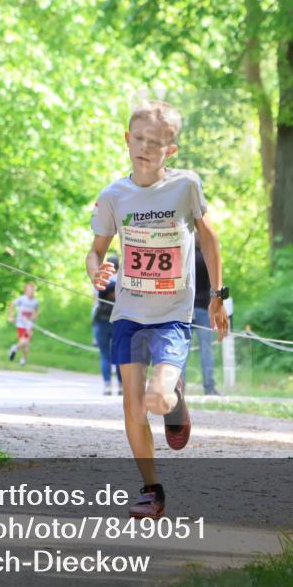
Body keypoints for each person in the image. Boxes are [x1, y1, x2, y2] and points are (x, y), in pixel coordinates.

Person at [87, 100, 229, 519]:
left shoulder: (186, 186)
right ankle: (152, 489)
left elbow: (209, 239)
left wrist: (218, 295)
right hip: (128, 313)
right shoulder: (113, 195)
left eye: (156, 143)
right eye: (139, 140)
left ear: (171, 150)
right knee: (133, 405)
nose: (145, 148)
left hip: (171, 313)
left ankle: (176, 398)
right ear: (126, 139)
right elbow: (95, 252)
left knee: (158, 397)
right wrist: (97, 272)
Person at [192, 243, 219, 396]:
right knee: (206, 350)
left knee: (181, 350)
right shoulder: (207, 259)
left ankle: (178, 389)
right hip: (204, 307)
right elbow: (213, 284)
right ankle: (209, 387)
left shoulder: (184, 257)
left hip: (186, 309)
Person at [93, 255, 123, 395]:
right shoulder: (123, 281)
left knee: (105, 354)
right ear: (118, 266)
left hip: (102, 321)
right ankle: (121, 386)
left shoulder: (101, 280)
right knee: (118, 354)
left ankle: (107, 385)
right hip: (118, 321)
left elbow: (95, 305)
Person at [7, 282, 39, 367]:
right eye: (28, 290)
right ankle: (15, 348)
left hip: (29, 325)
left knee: (27, 344)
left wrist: (34, 318)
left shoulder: (35, 302)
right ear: (25, 291)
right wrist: (11, 316)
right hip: (21, 324)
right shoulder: (22, 299)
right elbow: (12, 304)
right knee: (24, 341)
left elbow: (36, 311)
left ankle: (23, 358)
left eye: (32, 290)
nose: (30, 292)